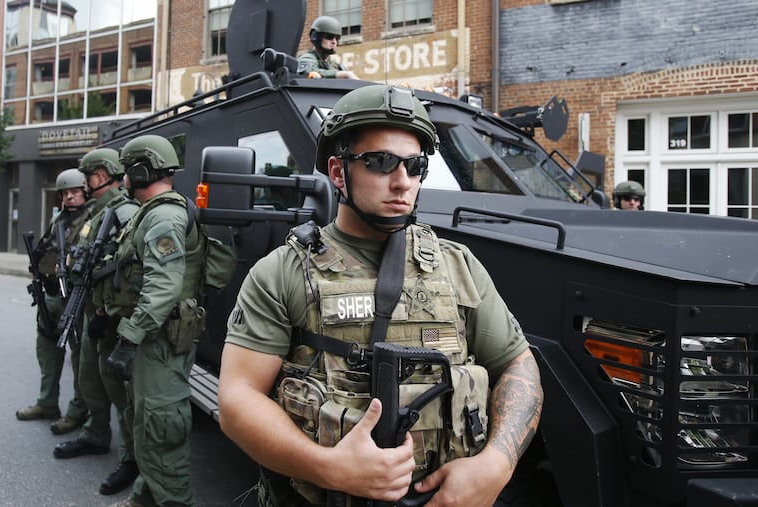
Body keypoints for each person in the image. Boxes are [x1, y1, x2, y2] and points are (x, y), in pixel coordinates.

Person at [218, 85, 544, 506]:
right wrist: (327, 466)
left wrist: (497, 465)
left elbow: (519, 365)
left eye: (414, 166)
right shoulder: (283, 272)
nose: (402, 181)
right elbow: (237, 399)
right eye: (381, 162)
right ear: (338, 172)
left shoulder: (457, 266)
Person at [100, 135, 207, 507]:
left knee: (162, 426)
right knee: (147, 420)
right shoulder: (154, 211)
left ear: (140, 170)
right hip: (155, 335)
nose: (124, 179)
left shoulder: (163, 215)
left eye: (128, 170)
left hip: (158, 338)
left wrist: (128, 338)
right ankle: (146, 497)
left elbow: (162, 287)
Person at [53, 148, 141, 496]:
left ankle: (131, 458)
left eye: (88, 177)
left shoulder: (125, 210)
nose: (84, 184)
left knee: (122, 393)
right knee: (91, 377)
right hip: (95, 308)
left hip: (115, 314)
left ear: (102, 175)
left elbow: (130, 268)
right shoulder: (101, 210)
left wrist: (109, 314)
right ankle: (95, 434)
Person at [16, 169, 91, 435]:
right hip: (50, 294)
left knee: (81, 359)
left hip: (73, 297)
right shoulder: (60, 218)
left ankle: (78, 411)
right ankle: (47, 403)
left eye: (74, 192)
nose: (69, 197)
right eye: (65, 193)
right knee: (47, 351)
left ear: (85, 191)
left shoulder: (92, 217)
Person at [297, 15, 359, 79]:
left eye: (337, 38)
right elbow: (310, 72)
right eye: (329, 37)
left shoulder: (334, 65)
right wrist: (343, 74)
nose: (334, 42)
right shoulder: (307, 58)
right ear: (316, 37)